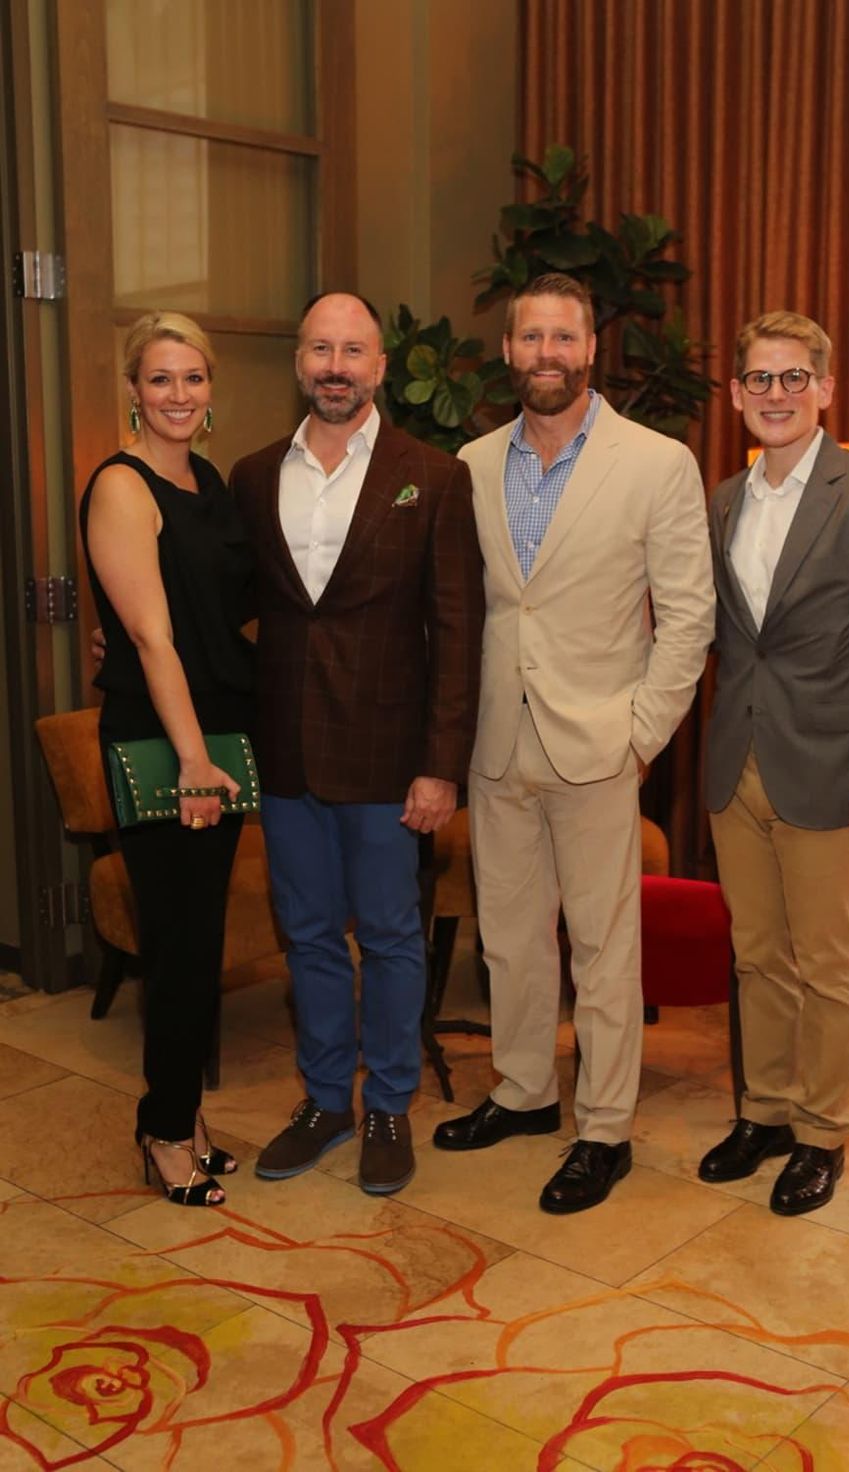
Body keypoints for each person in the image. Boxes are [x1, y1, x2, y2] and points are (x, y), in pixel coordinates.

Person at [433, 272, 715, 1213]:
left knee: (602, 949)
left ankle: (604, 1129)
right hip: (496, 745)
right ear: (507, 351)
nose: (546, 353)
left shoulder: (655, 462)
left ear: (590, 349)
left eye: (564, 337)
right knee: (509, 939)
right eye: (529, 338)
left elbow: (687, 620)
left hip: (600, 744)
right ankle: (522, 1094)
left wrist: (639, 737)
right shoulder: (467, 464)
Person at [230, 292, 483, 1196]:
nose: (335, 367)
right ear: (299, 363)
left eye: (354, 352)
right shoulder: (255, 475)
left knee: (388, 935)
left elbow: (458, 632)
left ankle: (390, 1108)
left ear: (381, 367)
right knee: (304, 935)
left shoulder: (434, 476)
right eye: (320, 350)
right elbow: (231, 607)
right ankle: (327, 1100)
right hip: (289, 749)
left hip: (389, 758)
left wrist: (440, 764)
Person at [698, 310, 849, 1215]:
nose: (776, 395)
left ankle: (820, 1132)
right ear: (735, 395)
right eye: (759, 379)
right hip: (739, 762)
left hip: (837, 767)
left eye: (794, 377)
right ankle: (761, 1112)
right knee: (757, 954)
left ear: (826, 389)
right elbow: (720, 638)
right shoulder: (721, 499)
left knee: (829, 960)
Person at [80, 311, 255, 1207]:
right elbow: (149, 637)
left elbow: (215, 610)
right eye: (160, 379)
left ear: (209, 389)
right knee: (179, 944)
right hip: (167, 743)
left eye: (193, 378)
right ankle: (159, 1129)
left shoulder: (209, 482)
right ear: (134, 390)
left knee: (201, 942)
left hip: (219, 734)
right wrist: (193, 758)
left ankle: (185, 1116)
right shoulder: (122, 484)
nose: (179, 395)